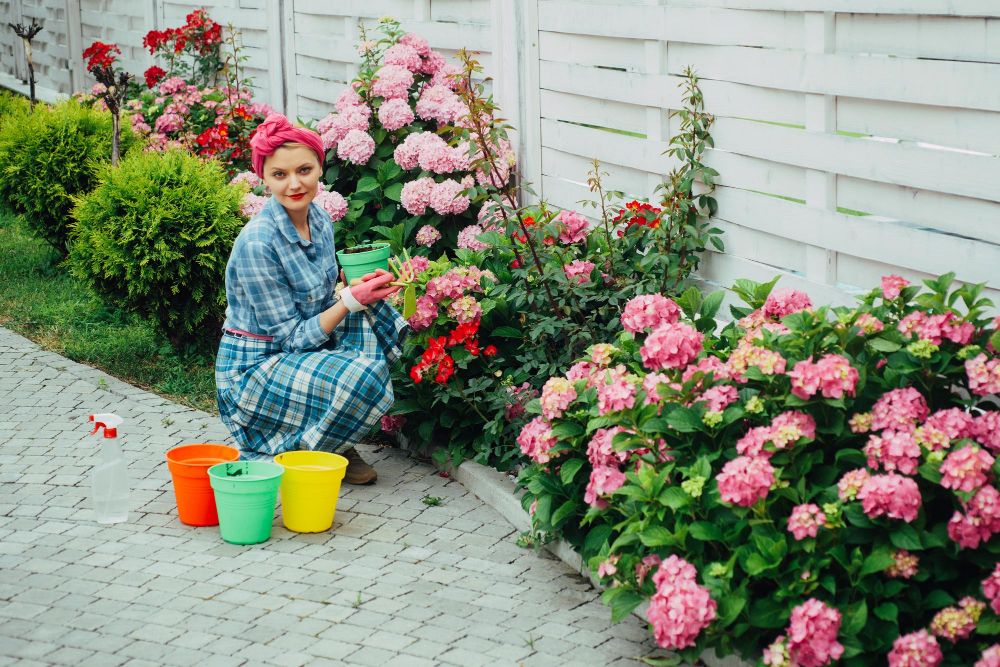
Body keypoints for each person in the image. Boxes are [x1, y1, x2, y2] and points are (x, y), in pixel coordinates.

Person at [215, 113, 407, 484]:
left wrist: (357, 287)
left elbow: (321, 296)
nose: (294, 184)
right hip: (254, 370)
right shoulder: (258, 243)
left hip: (301, 347)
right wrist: (349, 299)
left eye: (304, 170)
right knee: (361, 375)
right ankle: (309, 448)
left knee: (378, 315)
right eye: (279, 174)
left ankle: (332, 436)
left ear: (320, 167)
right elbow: (290, 339)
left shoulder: (318, 219)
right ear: (264, 178)